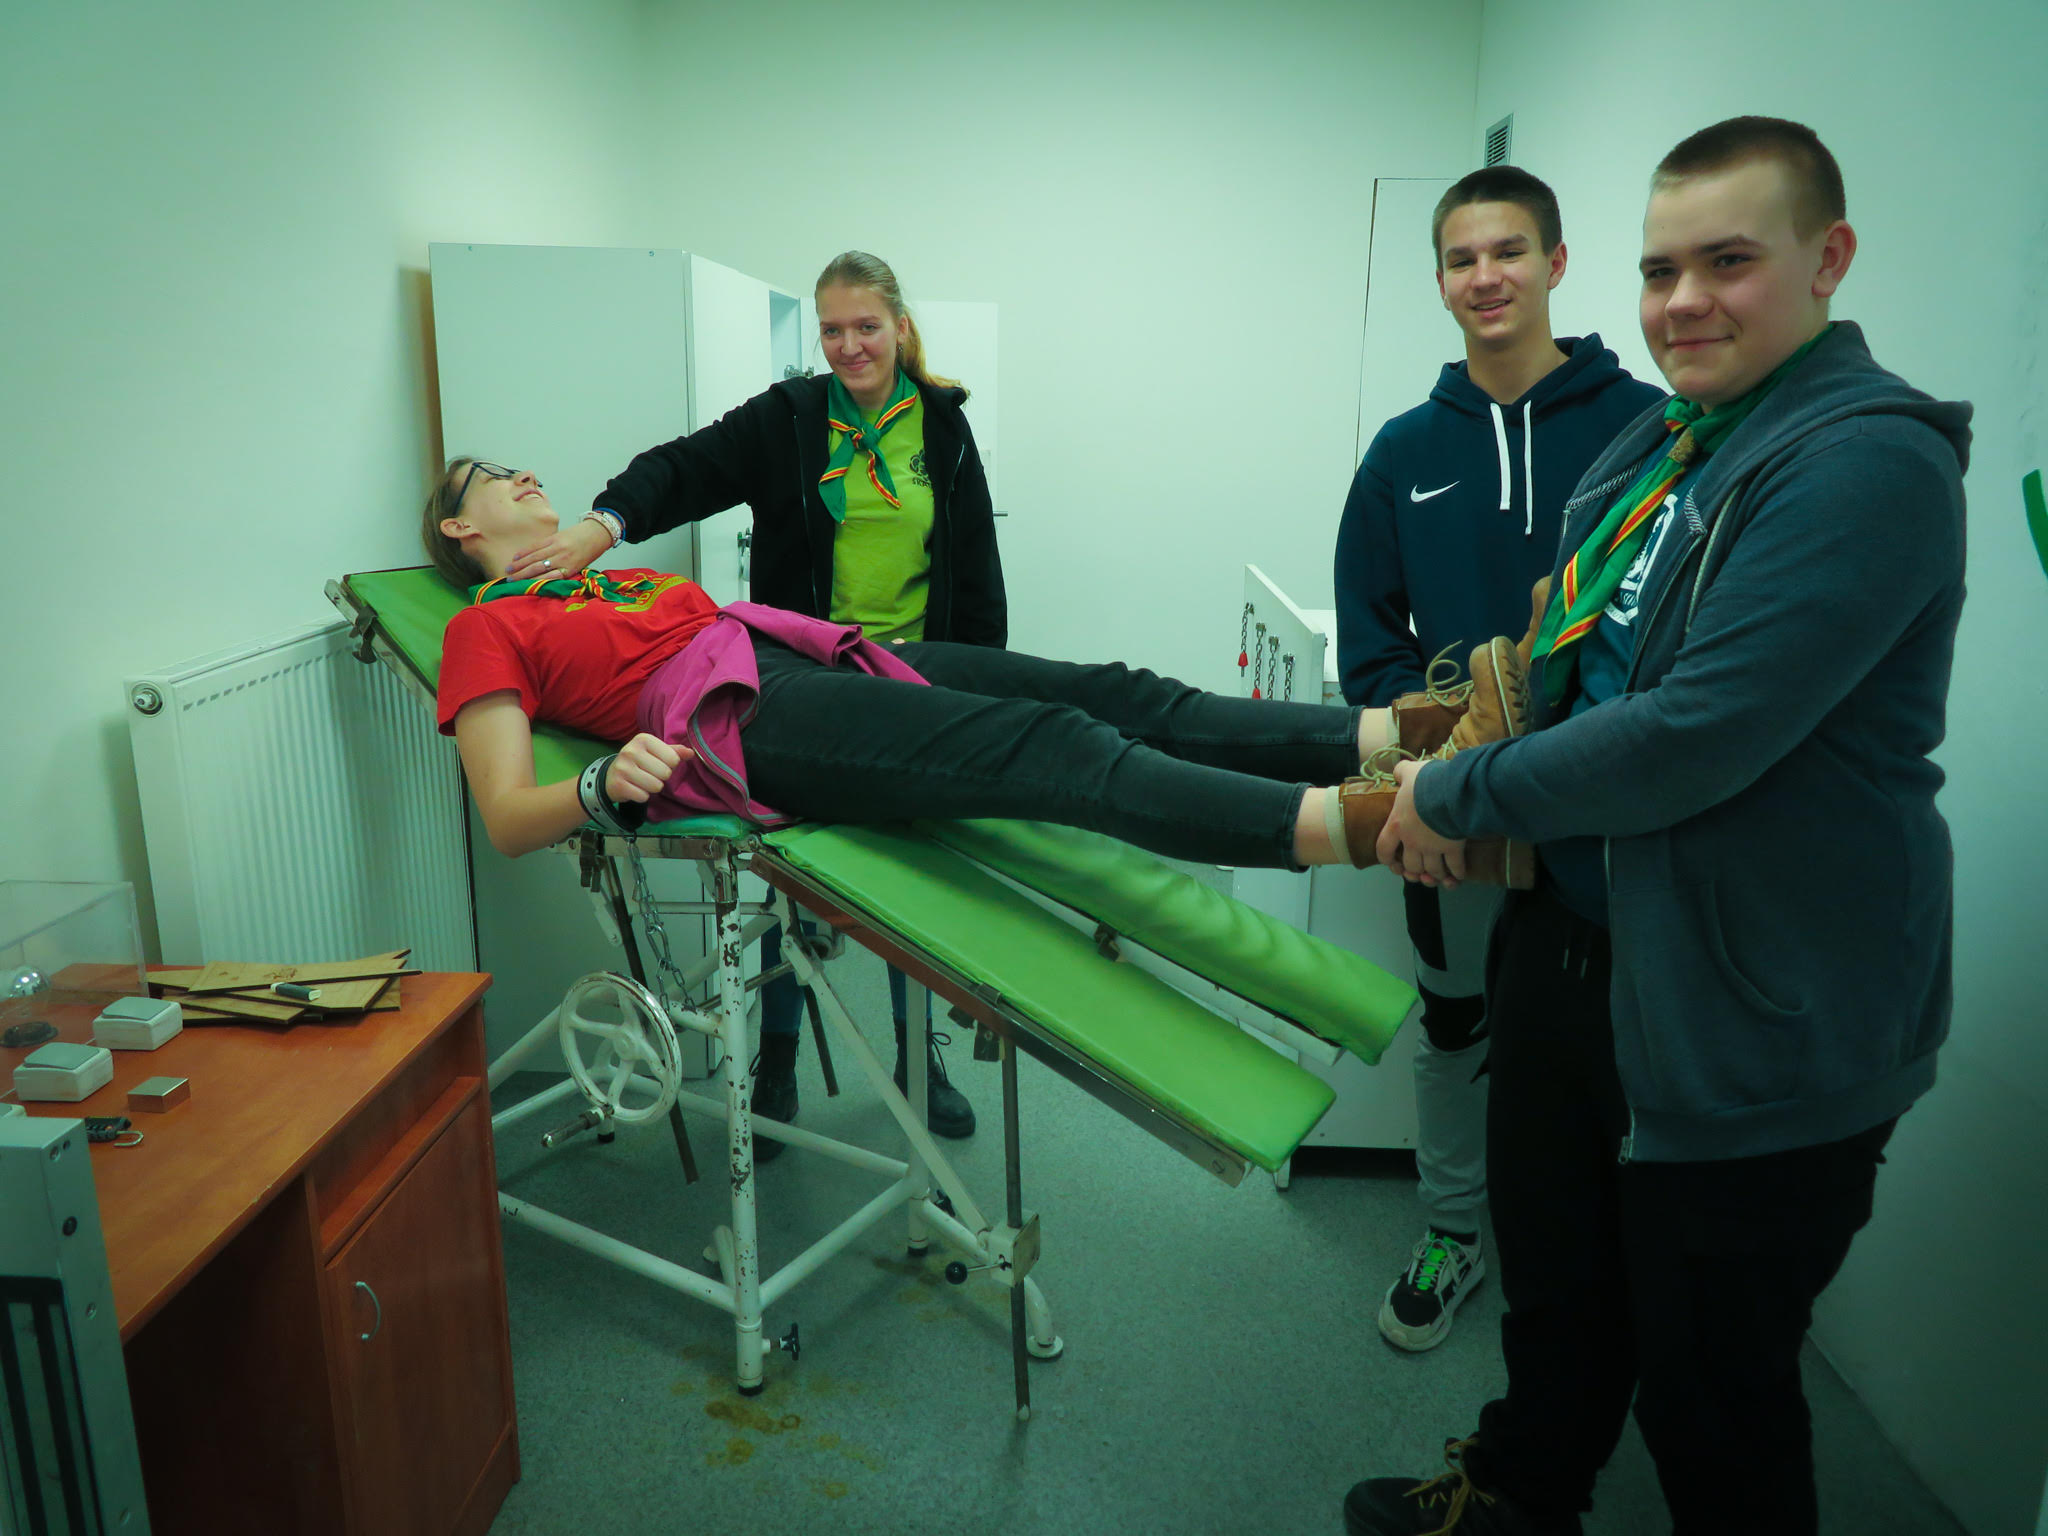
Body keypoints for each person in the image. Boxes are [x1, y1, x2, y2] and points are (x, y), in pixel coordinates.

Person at [1347, 117, 1968, 1535]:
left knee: (1711, 1388)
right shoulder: (1661, 444)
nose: (1684, 300)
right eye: (1660, 269)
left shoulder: (1863, 465)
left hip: (1744, 1008)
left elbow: (1688, 737)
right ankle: (1519, 1493)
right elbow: (1557, 663)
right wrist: (1438, 745)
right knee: (1559, 1294)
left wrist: (1446, 792)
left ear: (1828, 259)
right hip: (1574, 945)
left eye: (1727, 262)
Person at [505, 251, 1003, 1148]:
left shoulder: (942, 425)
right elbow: (685, 468)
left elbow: (976, 570)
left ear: (900, 328)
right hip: (799, 677)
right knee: (782, 870)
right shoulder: (790, 419)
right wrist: (602, 526)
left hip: (909, 674)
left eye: (867, 327)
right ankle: (777, 1059)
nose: (850, 346)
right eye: (832, 330)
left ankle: (916, 1056)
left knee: (910, 866)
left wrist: (976, 693)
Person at [1334, 166, 1664, 1352]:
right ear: (1438, 280)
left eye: (1508, 251)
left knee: (1607, 1033)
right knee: (1456, 1021)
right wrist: (1429, 768)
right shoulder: (1402, 450)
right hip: (1458, 797)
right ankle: (1450, 1231)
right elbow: (1370, 642)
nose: (1486, 276)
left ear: (1555, 262)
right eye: (1462, 259)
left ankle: (1601, 1257)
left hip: (1609, 802)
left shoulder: (1643, 426)